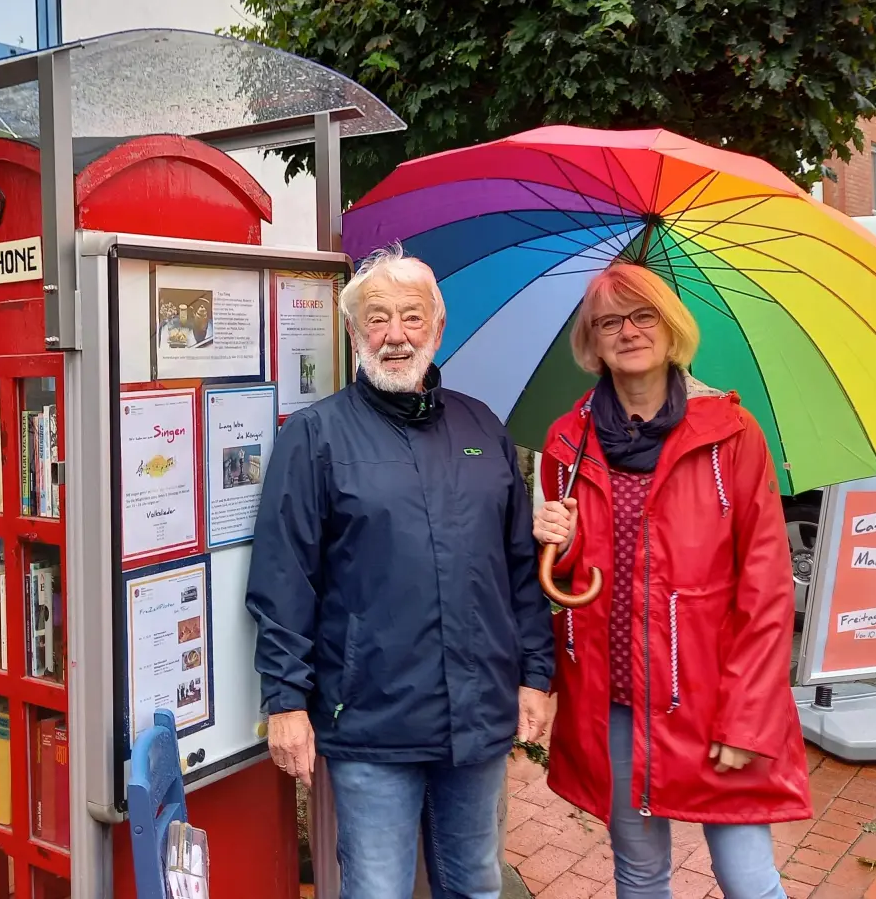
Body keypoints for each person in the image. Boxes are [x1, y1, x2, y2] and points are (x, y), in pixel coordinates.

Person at [245, 244, 555, 899]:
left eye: (411, 318)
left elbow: (518, 567)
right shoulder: (316, 436)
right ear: (355, 333)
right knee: (378, 889)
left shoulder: (483, 429)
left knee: (474, 884)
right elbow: (283, 580)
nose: (394, 335)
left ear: (438, 330)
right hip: (369, 718)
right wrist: (285, 702)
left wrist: (535, 675)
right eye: (377, 319)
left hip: (477, 716)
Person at [532, 263, 811, 899]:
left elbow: (766, 588)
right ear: (592, 341)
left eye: (643, 315)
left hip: (714, 695)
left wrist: (747, 721)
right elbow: (570, 584)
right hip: (617, 699)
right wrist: (558, 543)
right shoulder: (566, 442)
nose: (628, 332)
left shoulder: (731, 435)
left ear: (672, 328)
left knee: (748, 880)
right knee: (639, 874)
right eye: (609, 321)